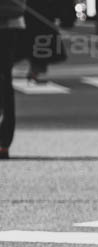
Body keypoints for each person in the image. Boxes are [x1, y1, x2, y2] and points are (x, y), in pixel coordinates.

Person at [0, 0, 25, 160]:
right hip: (9, 25)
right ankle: (4, 143)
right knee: (4, 82)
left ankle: (3, 142)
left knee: (4, 81)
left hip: (7, 26)